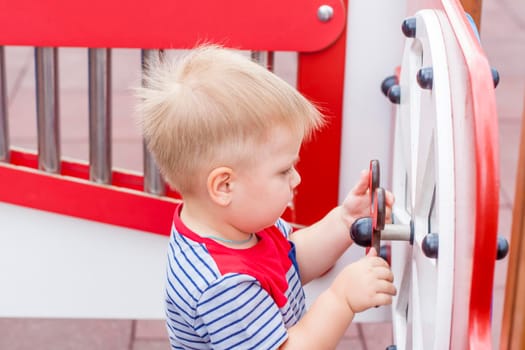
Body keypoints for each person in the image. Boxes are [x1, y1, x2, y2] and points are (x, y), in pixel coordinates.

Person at [136, 45, 396, 349]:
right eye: (284, 170)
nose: (296, 179)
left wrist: (345, 221)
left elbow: (289, 262)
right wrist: (341, 299)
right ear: (224, 186)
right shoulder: (224, 286)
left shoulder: (236, 224)